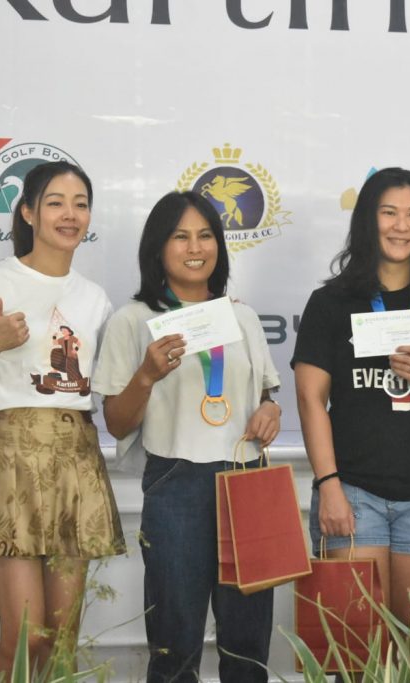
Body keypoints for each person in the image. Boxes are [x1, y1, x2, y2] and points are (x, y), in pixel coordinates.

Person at [0, 161, 125, 679]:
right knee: (26, 637)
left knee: (62, 641)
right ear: (28, 212)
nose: (70, 215)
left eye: (80, 204)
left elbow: (110, 386)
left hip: (76, 458)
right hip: (12, 458)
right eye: (56, 203)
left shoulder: (95, 298)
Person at [91, 191, 280, 683]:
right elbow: (116, 423)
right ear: (158, 248)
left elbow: (265, 396)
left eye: (205, 235)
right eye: (180, 237)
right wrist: (146, 375)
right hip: (176, 483)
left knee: (248, 645)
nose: (195, 247)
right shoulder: (132, 320)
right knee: (174, 645)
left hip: (246, 479)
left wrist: (270, 411)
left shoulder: (241, 316)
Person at [292, 167, 410, 627]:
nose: (402, 226)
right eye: (389, 213)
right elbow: (311, 400)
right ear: (367, 220)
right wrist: (328, 485)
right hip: (353, 491)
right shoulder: (330, 303)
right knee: (357, 639)